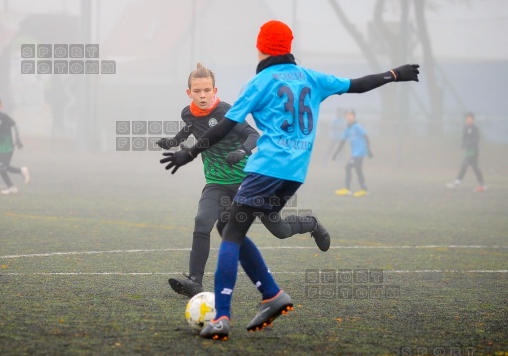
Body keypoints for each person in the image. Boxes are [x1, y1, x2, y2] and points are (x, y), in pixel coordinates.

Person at [160, 20, 419, 340]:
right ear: (288, 47)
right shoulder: (312, 77)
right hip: (295, 174)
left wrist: (188, 154)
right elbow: (358, 84)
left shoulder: (259, 82)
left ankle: (223, 316)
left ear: (261, 47)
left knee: (229, 230)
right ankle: (271, 294)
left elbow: (224, 127)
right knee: (245, 226)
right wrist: (394, 74)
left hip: (266, 169)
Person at [157, 63, 330, 299]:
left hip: (250, 184)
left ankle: (310, 223)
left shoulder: (228, 112)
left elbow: (253, 135)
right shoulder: (187, 113)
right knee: (202, 221)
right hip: (217, 184)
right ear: (189, 93)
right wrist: (172, 141)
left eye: (207, 90)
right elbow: (189, 129)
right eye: (197, 91)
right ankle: (195, 281)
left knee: (280, 230)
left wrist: (241, 152)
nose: (202, 95)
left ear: (215, 90)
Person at [0, 96, 29, 194]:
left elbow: (14, 125)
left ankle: (21, 171)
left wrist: (18, 138)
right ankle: (11, 187)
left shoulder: (3, 116)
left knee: (2, 166)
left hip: (8, 145)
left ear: (0, 106)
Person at [332, 109, 372, 197]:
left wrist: (368, 150)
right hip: (355, 153)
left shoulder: (357, 126)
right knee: (358, 170)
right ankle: (364, 190)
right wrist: (336, 153)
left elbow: (366, 137)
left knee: (348, 167)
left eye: (351, 115)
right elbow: (343, 141)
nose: (349, 116)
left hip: (360, 152)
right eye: (347, 115)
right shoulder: (347, 128)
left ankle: (347, 189)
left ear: (354, 116)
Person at [446, 112, 486, 192]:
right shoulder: (465, 128)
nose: (468, 120)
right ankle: (482, 185)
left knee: (465, 166)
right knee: (474, 168)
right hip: (468, 151)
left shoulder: (475, 128)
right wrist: (463, 145)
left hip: (473, 151)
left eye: (470, 118)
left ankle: (457, 183)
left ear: (473, 120)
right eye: (467, 118)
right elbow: (464, 139)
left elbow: (476, 140)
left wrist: (469, 144)